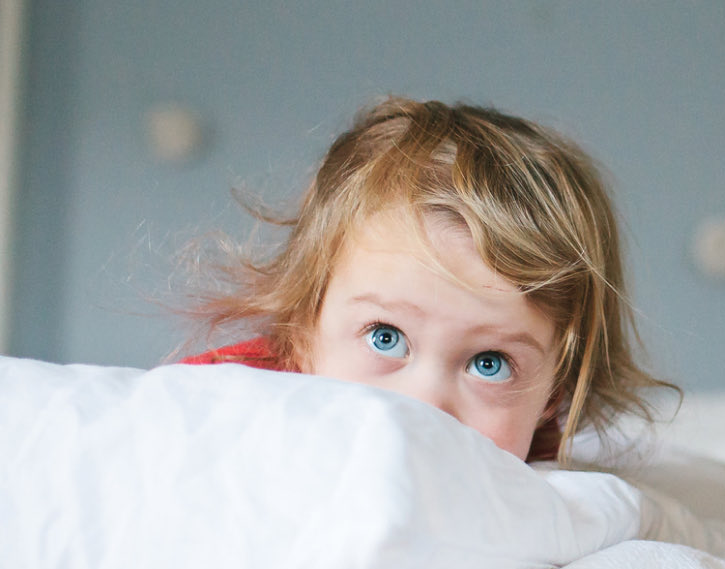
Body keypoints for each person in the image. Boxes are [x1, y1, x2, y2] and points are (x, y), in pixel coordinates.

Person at [181, 96, 670, 463]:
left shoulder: (531, 482)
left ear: (553, 396)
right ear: (302, 331)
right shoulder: (225, 409)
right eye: (385, 337)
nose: (425, 407)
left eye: (489, 364)